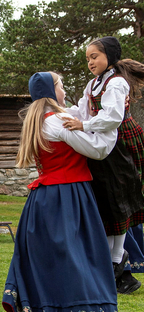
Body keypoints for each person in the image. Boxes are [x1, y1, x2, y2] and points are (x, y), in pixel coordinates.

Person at [3, 72, 119, 312]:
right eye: (61, 86)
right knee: (77, 264)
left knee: (52, 266)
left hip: (50, 199)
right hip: (66, 199)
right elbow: (97, 149)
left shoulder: (48, 118)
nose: (64, 91)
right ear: (50, 91)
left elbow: (81, 110)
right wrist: (115, 124)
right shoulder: (55, 121)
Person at [63, 36, 144, 285]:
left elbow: (113, 117)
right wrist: (58, 113)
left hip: (121, 146)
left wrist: (83, 125)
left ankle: (117, 258)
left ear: (109, 56)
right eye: (87, 58)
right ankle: (110, 260)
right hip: (103, 145)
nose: (90, 62)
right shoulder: (92, 84)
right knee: (106, 200)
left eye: (94, 56)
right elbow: (82, 109)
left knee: (119, 199)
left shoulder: (117, 83)